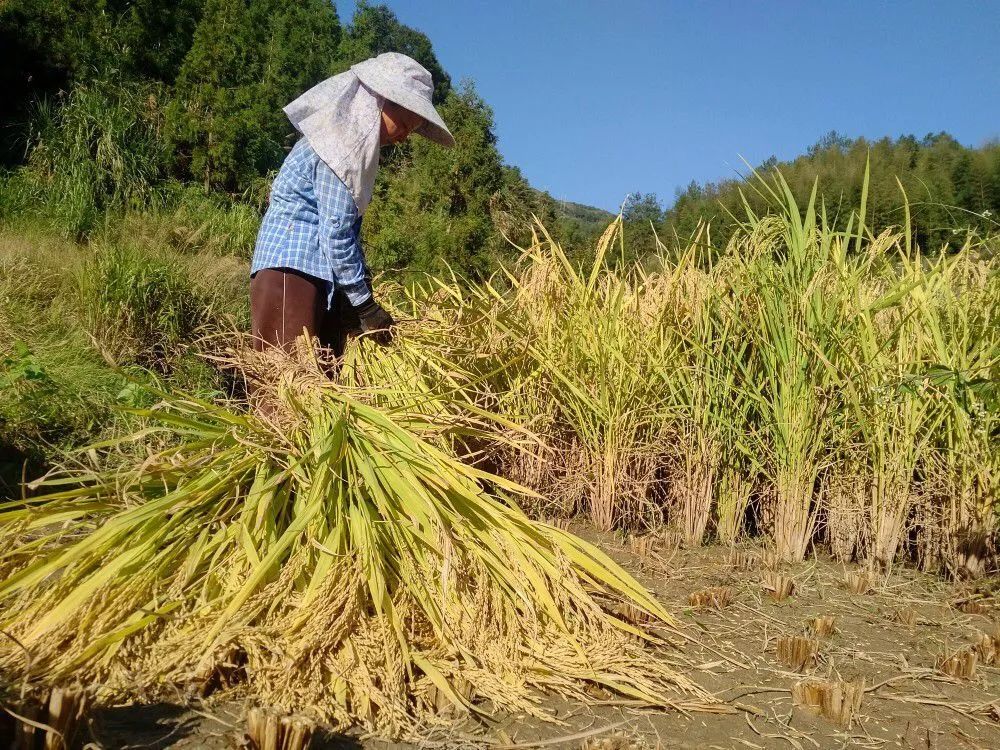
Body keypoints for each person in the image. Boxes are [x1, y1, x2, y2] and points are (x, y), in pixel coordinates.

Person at [249, 52, 454, 356]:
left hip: (316, 276)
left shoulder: (348, 147)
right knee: (285, 388)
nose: (404, 137)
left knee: (321, 391)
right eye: (407, 123)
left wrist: (350, 297)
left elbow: (340, 230)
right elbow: (337, 233)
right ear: (382, 101)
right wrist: (365, 304)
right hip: (292, 271)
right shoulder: (341, 146)